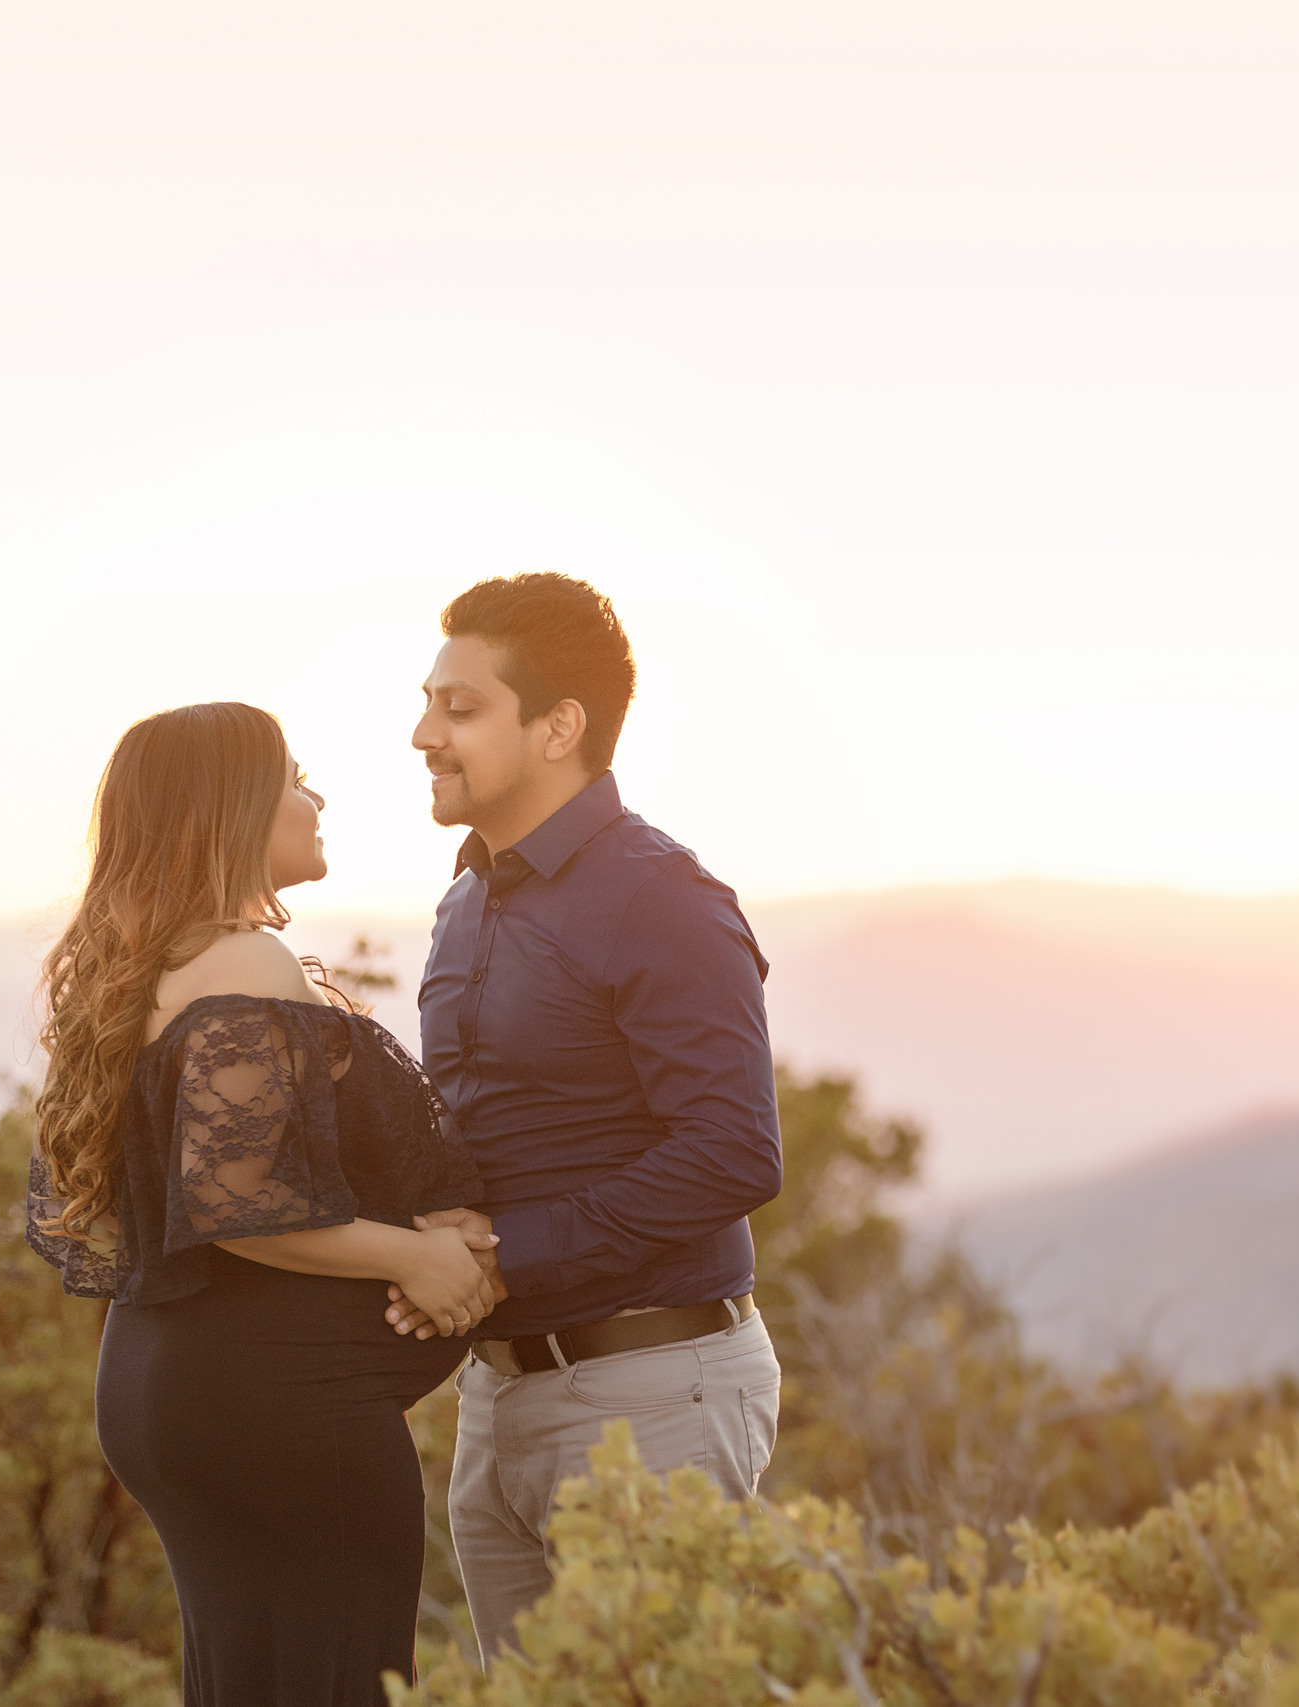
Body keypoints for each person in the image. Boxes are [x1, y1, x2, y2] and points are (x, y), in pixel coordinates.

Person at [22, 700, 500, 1707]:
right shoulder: (244, 962)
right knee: (337, 1683)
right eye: (291, 778)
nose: (314, 798)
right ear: (229, 809)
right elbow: (237, 1200)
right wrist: (412, 1258)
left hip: (176, 1387)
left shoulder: (150, 968)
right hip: (278, 1411)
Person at [386, 573, 784, 1659]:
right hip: (501, 1398)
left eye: (459, 708)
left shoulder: (659, 898)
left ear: (558, 726)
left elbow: (734, 1151)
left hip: (651, 1396)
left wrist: (504, 1253)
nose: (424, 732)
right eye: (428, 702)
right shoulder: (466, 899)